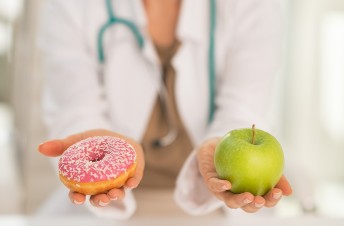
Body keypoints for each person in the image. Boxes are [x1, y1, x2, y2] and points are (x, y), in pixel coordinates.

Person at [37, 0, 292, 219]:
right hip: (105, 208)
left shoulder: (252, 6)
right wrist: (97, 148)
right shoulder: (71, 5)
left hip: (211, 206)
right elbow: (76, 109)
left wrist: (221, 157)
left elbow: (243, 108)